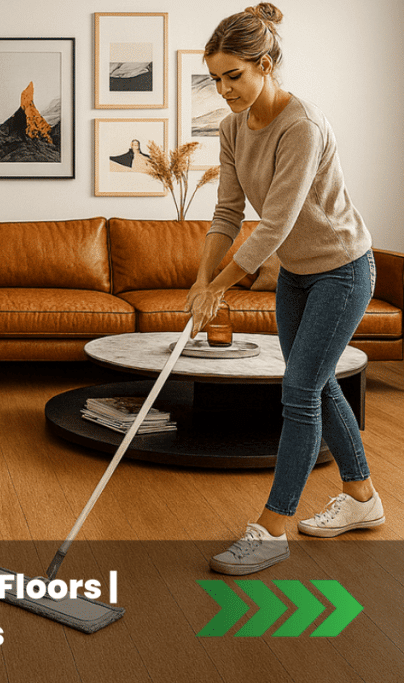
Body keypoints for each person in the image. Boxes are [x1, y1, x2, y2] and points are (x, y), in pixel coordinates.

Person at [187, 3, 385, 575]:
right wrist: (203, 280)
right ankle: (362, 499)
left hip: (343, 270)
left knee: (299, 389)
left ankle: (273, 529)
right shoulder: (229, 128)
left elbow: (273, 224)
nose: (224, 90)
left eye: (234, 76)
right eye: (216, 78)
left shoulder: (301, 125)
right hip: (298, 276)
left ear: (265, 64)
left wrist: (222, 287)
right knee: (317, 388)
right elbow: (226, 211)